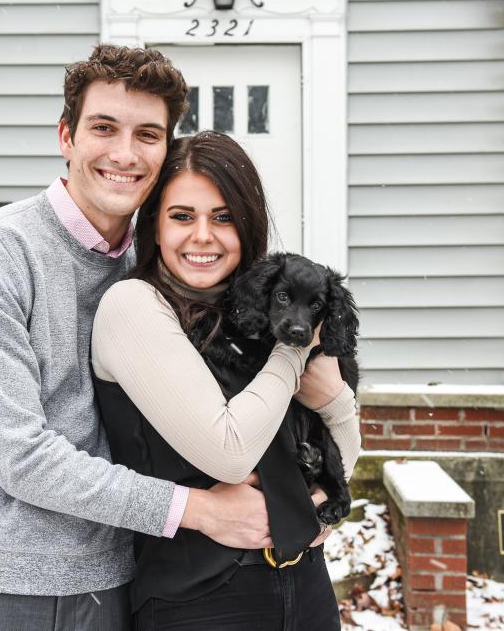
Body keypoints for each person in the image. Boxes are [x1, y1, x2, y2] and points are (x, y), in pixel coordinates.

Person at [0, 45, 344, 630]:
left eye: (147, 135)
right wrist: (200, 510)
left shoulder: (162, 269)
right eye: (104, 128)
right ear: (66, 136)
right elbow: (21, 455)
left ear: (165, 152)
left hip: (111, 582)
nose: (124, 153)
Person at [91, 131, 361, 629]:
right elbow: (231, 452)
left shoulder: (256, 313)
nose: (202, 236)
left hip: (305, 587)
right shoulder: (134, 306)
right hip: (201, 600)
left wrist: (336, 408)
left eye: (222, 217)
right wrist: (295, 351)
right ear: (153, 224)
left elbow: (342, 455)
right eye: (181, 216)